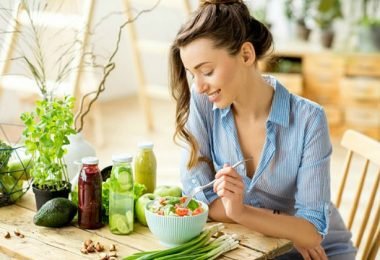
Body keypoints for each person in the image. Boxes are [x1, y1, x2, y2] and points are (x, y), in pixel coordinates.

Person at [168, 0, 356, 259]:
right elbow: (199, 198)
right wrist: (288, 227)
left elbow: (312, 232)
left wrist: (240, 212)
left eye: (207, 71)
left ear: (246, 54)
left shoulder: (309, 119)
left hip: (318, 254)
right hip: (255, 246)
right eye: (192, 74)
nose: (199, 86)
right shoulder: (203, 103)